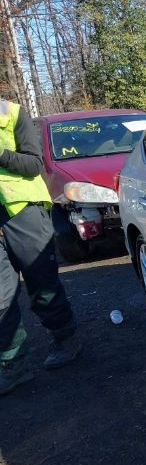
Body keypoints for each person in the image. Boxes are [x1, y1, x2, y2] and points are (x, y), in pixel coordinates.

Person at [0, 97, 80, 395]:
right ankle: (12, 365)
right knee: (0, 296)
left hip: (23, 210)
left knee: (41, 282)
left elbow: (34, 164)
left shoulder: (10, 113)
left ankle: (66, 337)